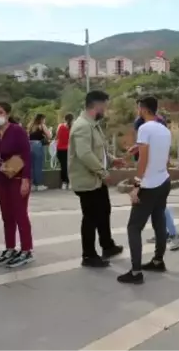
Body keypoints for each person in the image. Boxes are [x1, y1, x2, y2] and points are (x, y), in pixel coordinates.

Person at [118, 96, 173, 285]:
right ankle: (158, 260)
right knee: (159, 222)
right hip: (164, 180)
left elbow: (143, 160)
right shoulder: (164, 129)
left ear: (142, 109)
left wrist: (137, 184)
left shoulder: (144, 128)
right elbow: (163, 157)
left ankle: (135, 272)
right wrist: (139, 148)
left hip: (149, 184)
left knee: (134, 227)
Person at [69, 90, 125, 268]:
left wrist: (112, 160)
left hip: (95, 180)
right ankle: (89, 255)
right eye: (105, 106)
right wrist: (103, 172)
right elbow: (85, 154)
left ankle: (107, 245)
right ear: (97, 105)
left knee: (104, 210)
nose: (106, 110)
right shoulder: (82, 126)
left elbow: (98, 150)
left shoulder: (92, 124)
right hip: (86, 181)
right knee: (91, 217)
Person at [0, 102, 35, 268]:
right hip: (3, 178)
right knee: (6, 215)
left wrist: (26, 179)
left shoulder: (17, 131)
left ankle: (27, 250)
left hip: (17, 177)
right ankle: (10, 248)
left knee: (20, 214)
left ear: (7, 114)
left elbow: (26, 155)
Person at [130, 115, 179, 251]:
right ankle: (162, 234)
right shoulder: (156, 128)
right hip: (155, 176)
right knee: (157, 210)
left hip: (155, 178)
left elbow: (151, 155)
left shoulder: (150, 127)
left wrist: (137, 183)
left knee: (160, 209)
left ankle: (174, 234)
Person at [27, 113, 51, 191]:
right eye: (44, 119)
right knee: (38, 165)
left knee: (31, 166)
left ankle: (32, 184)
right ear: (41, 119)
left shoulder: (30, 126)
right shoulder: (41, 125)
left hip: (29, 145)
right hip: (37, 145)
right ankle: (39, 184)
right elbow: (49, 136)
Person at [56, 113, 73, 189]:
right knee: (70, 166)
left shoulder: (60, 126)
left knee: (63, 166)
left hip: (60, 148)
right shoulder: (73, 127)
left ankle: (64, 182)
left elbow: (57, 136)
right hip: (69, 149)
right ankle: (70, 182)